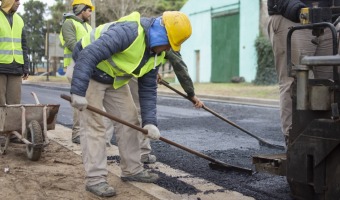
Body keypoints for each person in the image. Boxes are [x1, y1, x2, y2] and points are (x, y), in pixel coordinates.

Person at [69, 11, 192, 197]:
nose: (168, 48)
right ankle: (95, 179)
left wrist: (150, 122)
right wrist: (78, 92)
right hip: (89, 71)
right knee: (95, 126)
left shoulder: (156, 54)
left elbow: (148, 88)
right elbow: (89, 54)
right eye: (169, 43)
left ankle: (132, 170)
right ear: (161, 33)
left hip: (114, 78)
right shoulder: (129, 32)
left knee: (130, 119)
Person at [267, 0, 339, 145]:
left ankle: (324, 144)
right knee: (295, 83)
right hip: (292, 17)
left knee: (330, 85)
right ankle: (294, 144)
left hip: (327, 19)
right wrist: (296, 9)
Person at [128, 49, 204, 164]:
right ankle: (142, 153)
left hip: (130, 65)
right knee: (140, 109)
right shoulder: (170, 40)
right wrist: (191, 95)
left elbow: (148, 55)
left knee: (118, 107)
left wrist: (153, 69)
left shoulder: (159, 33)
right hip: (134, 70)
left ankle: (108, 146)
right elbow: (179, 67)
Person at [59, 0, 93, 144]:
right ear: (81, 9)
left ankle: (87, 132)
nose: (90, 13)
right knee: (79, 98)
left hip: (87, 64)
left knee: (89, 99)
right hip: (75, 65)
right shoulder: (68, 23)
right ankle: (77, 134)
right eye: (89, 10)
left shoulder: (87, 26)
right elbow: (72, 44)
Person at [0, 0, 29, 107]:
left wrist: (25, 67)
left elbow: (23, 45)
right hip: (1, 68)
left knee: (15, 105)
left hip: (16, 68)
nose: (19, 3)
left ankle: (11, 124)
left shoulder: (19, 20)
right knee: (0, 104)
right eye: (16, 0)